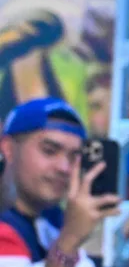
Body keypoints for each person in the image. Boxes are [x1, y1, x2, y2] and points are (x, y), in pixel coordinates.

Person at [0, 98, 120, 267]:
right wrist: (70, 239)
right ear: (8, 149)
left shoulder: (55, 219)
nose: (64, 167)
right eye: (49, 151)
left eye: (74, 156)